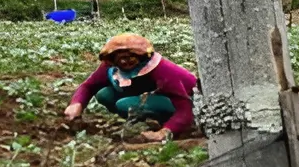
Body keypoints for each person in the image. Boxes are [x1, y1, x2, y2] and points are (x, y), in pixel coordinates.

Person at [64, 33, 198, 142]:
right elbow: (88, 86)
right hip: (148, 94)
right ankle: (140, 118)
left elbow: (185, 108)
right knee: (104, 95)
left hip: (185, 101)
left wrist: (166, 132)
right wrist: (76, 104)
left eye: (130, 58)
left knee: (124, 104)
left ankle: (160, 121)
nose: (125, 62)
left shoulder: (162, 70)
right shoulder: (110, 67)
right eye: (120, 58)